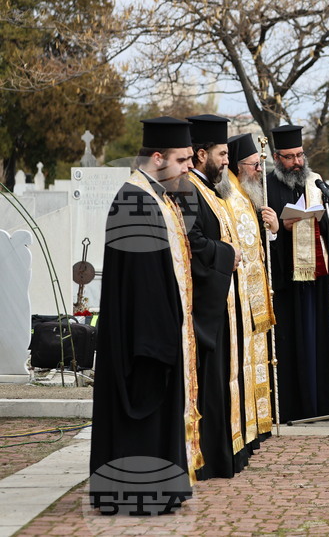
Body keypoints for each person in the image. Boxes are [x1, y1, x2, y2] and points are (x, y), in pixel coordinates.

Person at [90, 117, 202, 508]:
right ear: (158, 157)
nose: (190, 167)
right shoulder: (135, 202)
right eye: (183, 159)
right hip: (141, 342)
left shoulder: (155, 196)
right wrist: (160, 341)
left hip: (154, 332)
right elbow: (142, 286)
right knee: (142, 413)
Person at [183, 114, 249, 480]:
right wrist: (228, 255)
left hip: (220, 299)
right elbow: (193, 244)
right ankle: (210, 459)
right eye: (222, 154)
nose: (227, 160)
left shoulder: (208, 188)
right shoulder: (191, 189)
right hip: (205, 307)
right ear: (201, 153)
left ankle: (224, 455)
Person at [266, 124, 329, 423]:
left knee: (319, 341)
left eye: (300, 155)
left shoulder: (316, 182)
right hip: (287, 281)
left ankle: (322, 404)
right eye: (289, 157)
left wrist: (319, 219)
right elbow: (263, 231)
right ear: (277, 157)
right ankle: (293, 409)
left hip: (317, 280)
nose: (297, 162)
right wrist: (282, 230)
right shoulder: (267, 186)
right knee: (290, 344)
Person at [222, 132, 280, 441]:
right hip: (238, 294)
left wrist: (271, 229)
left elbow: (256, 243)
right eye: (254, 164)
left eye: (259, 164)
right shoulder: (227, 192)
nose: (259, 170)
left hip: (253, 296)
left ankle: (257, 424)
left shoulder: (246, 192)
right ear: (238, 165)